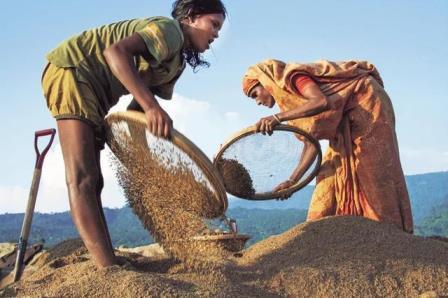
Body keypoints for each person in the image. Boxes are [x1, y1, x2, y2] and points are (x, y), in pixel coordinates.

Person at [41, 0, 227, 267]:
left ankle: (108, 261)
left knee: (95, 182)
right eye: (214, 25)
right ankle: (108, 269)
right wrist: (153, 107)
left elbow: (137, 112)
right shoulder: (170, 30)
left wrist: (142, 161)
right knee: (83, 177)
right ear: (191, 18)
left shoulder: (176, 65)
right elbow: (115, 53)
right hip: (72, 72)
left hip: (95, 93)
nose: (216, 34)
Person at [241, 59, 413, 233]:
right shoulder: (293, 102)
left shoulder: (293, 78)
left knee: (372, 171)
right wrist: (292, 181)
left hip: (368, 103)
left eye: (254, 94)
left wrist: (277, 118)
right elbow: (311, 141)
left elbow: (321, 102)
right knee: (330, 174)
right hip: (344, 119)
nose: (257, 102)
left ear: (265, 82)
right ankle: (335, 239)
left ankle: (388, 235)